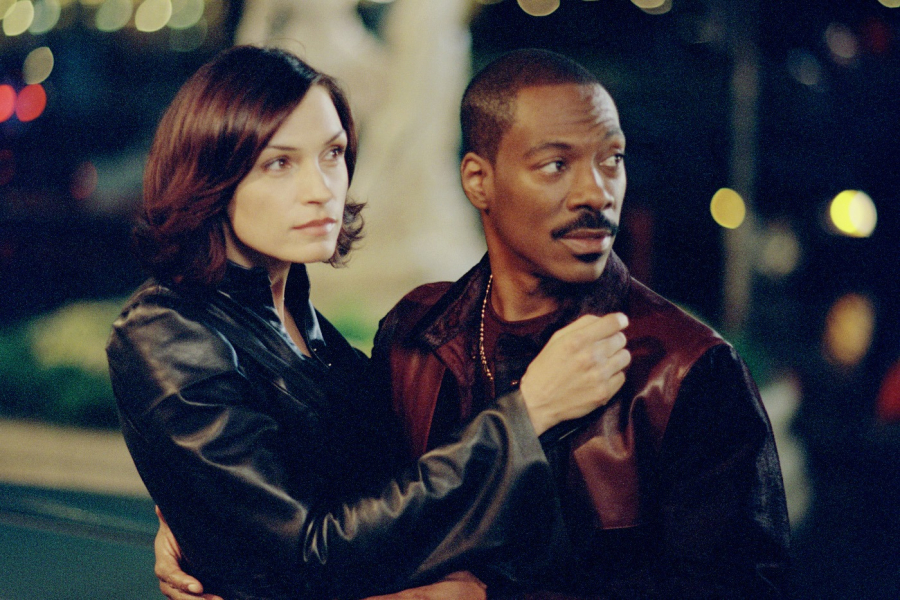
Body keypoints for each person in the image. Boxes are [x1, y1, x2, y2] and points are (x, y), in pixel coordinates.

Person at [155, 48, 792, 598]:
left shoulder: (686, 368)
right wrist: (198, 518)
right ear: (478, 181)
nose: (596, 193)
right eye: (556, 165)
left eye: (612, 160)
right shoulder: (414, 338)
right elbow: (341, 518)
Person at [106, 46, 633, 600]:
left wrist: (207, 521)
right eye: (280, 163)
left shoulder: (301, 321)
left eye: (332, 153)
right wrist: (527, 415)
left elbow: (382, 489)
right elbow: (308, 557)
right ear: (212, 176)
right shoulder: (166, 332)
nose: (321, 189)